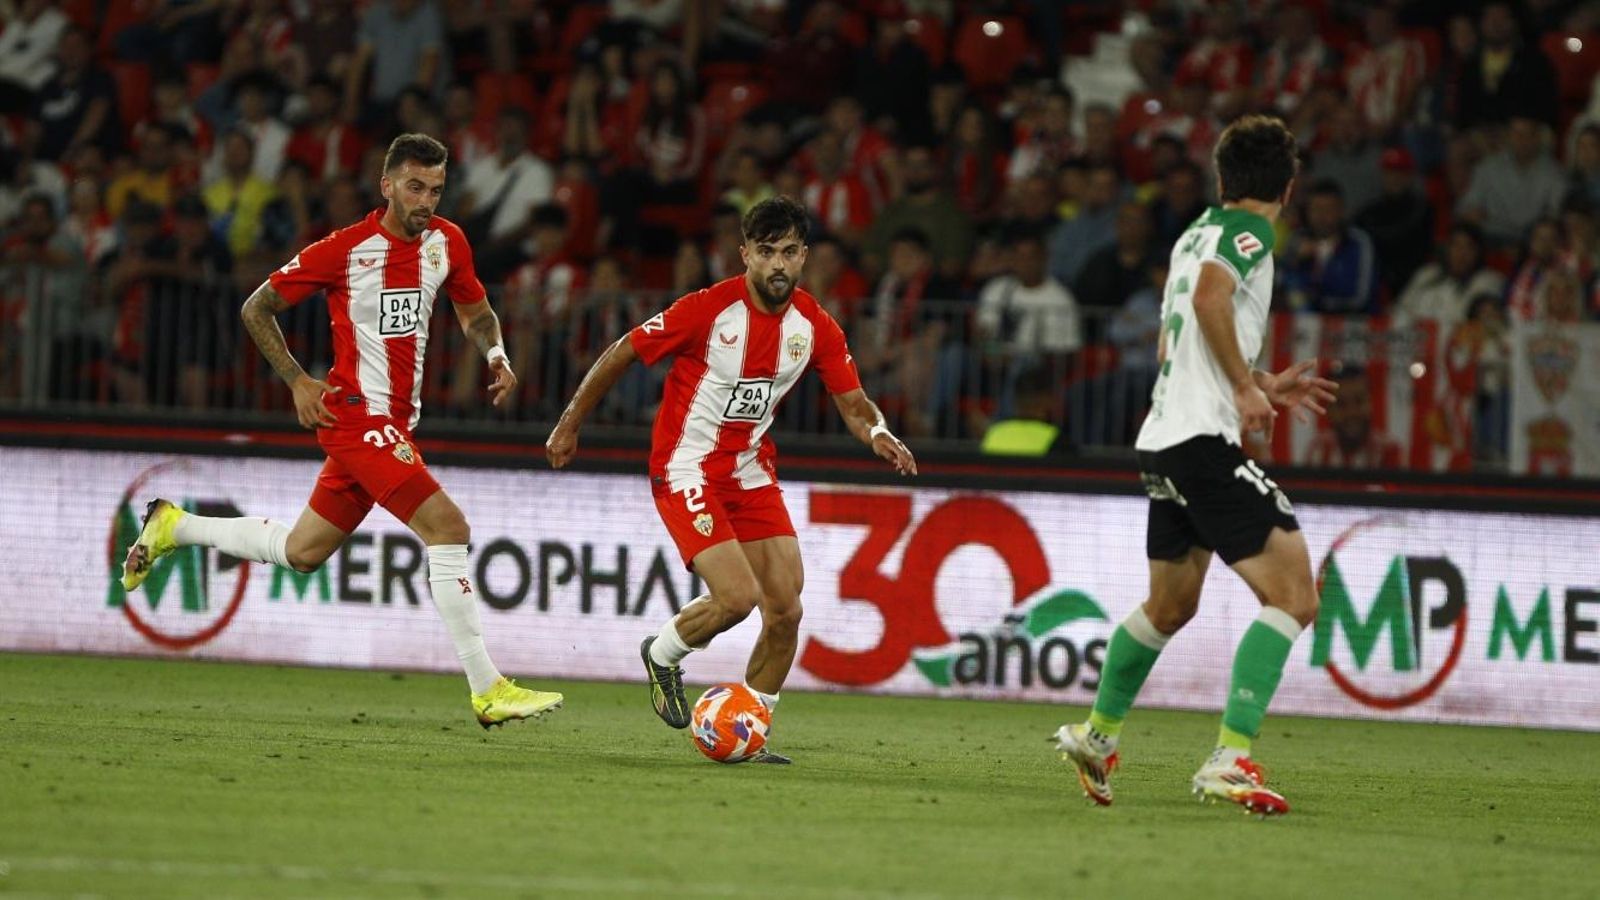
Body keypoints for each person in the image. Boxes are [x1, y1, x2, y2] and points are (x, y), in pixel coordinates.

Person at [119, 133, 562, 728]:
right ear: (386, 185)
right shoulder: (345, 250)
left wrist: (497, 355)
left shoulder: (446, 242)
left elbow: (475, 311)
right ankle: (487, 688)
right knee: (448, 527)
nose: (426, 199)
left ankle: (176, 525)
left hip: (395, 423)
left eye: (435, 188)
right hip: (355, 415)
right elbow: (256, 307)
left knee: (302, 552)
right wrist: (300, 381)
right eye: (414, 186)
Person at [544, 196, 917, 763]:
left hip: (749, 472)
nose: (778, 265)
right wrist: (570, 423)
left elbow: (854, 401)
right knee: (738, 597)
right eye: (766, 252)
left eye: (789, 252)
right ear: (744, 254)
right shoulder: (708, 310)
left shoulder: (813, 325)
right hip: (686, 465)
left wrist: (879, 433)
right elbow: (623, 351)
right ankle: (663, 654)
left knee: (786, 609)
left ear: (804, 257)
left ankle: (752, 725)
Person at [1053, 116, 1338, 816]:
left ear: (1219, 179)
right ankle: (1229, 759)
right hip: (1201, 443)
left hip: (1164, 435)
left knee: (1171, 605)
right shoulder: (1254, 232)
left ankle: (1097, 735)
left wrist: (1259, 380)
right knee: (1296, 596)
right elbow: (1212, 302)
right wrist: (1245, 389)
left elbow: (1184, 341)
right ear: (1288, 188)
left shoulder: (1192, 234)